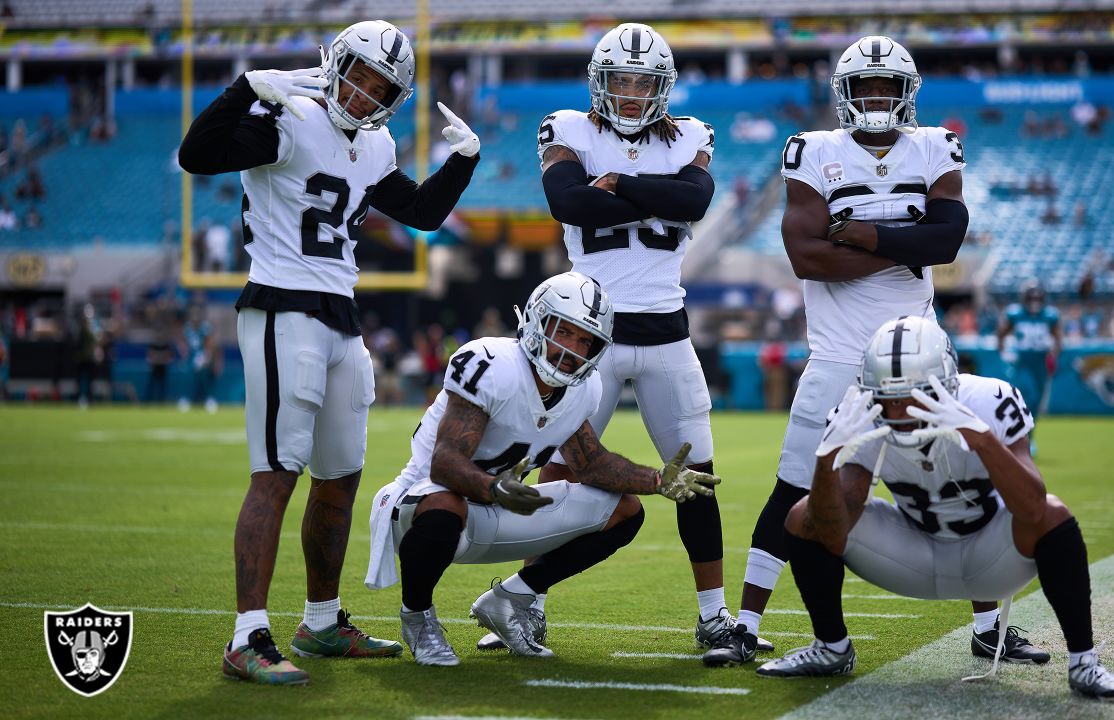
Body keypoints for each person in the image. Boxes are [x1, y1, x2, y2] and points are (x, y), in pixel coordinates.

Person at [178, 19, 482, 685]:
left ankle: (320, 621)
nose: (367, 94)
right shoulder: (287, 117)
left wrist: (463, 160)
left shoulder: (375, 145)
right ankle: (246, 637)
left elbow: (423, 214)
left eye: (383, 89)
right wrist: (240, 91)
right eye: (363, 76)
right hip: (281, 306)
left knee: (340, 477)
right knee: (276, 472)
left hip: (340, 316)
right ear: (335, 63)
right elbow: (195, 157)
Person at [707, 35, 1019, 668]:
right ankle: (744, 624)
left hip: (919, 354)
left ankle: (992, 626)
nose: (877, 98)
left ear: (907, 95)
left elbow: (946, 241)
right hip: (838, 357)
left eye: (888, 88)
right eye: (865, 88)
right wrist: (904, 241)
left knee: (957, 485)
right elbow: (806, 255)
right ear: (844, 95)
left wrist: (859, 233)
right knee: (796, 489)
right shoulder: (812, 150)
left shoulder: (936, 145)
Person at [760, 317, 1114, 703]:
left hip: (992, 557)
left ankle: (1083, 662)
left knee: (1054, 514)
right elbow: (831, 529)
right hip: (912, 555)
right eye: (887, 396)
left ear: (946, 382)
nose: (898, 407)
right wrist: (827, 461)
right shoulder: (860, 413)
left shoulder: (989, 400)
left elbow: (1032, 505)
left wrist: (981, 438)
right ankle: (831, 647)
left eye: (914, 393)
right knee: (802, 515)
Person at [364, 272, 719, 665]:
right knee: (445, 506)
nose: (573, 348)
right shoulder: (490, 362)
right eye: (564, 331)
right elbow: (444, 463)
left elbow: (590, 463)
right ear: (536, 321)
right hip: (425, 508)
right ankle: (417, 617)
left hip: (500, 510)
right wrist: (494, 489)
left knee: (624, 510)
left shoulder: (585, 389)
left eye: (586, 340)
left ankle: (511, 598)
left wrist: (655, 480)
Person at [526, 22, 732, 651]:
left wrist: (618, 185)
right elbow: (569, 204)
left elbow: (694, 201)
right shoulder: (568, 128)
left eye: (645, 81)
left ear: (663, 86)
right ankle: (522, 599)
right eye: (622, 79)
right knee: (559, 471)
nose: (633, 91)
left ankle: (714, 617)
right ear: (600, 83)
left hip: (668, 333)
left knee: (696, 473)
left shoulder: (691, 135)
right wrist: (654, 197)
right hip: (593, 334)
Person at [997, 280, 1062, 442]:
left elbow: (1058, 339)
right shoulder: (1016, 314)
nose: (1034, 302)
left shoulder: (1049, 315)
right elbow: (1001, 333)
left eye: (1037, 299)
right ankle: (1018, 435)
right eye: (1031, 299)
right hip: (1023, 362)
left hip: (1040, 362)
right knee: (1028, 396)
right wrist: (1004, 352)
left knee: (1036, 403)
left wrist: (1053, 355)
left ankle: (1028, 436)